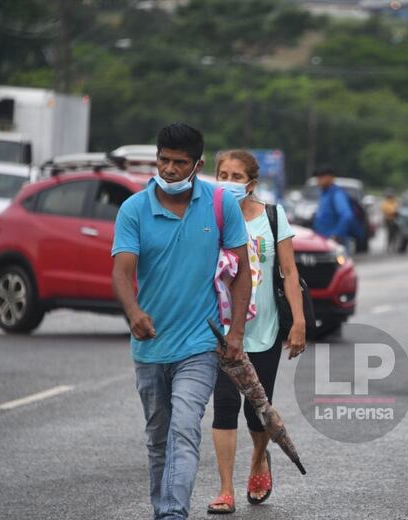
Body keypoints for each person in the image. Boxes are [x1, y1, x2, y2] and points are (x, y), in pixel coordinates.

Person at [111, 123, 251, 520]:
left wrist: (236, 332)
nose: (169, 170)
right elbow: (122, 272)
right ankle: (164, 510)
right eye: (164, 161)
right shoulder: (134, 209)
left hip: (199, 344)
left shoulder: (221, 204)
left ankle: (173, 513)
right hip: (151, 346)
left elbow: (241, 270)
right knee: (158, 438)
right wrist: (134, 312)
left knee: (185, 428)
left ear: (198, 164)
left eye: (179, 163)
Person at [208, 149, 306, 514]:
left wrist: (298, 321)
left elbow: (289, 272)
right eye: (223, 174)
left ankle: (260, 459)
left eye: (236, 176)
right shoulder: (210, 217)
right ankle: (225, 489)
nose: (228, 182)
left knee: (257, 410)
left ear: (251, 183)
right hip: (219, 330)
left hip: (263, 330)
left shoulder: (272, 216)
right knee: (225, 406)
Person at [312, 166, 362, 253]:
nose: (318, 180)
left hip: (336, 244)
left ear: (330, 177)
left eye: (321, 177)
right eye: (317, 177)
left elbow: (347, 216)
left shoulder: (337, 194)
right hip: (324, 241)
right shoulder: (325, 194)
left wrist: (336, 234)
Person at [380, 188, 400, 253]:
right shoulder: (386, 203)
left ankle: (393, 246)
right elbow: (386, 210)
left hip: (395, 220)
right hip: (389, 220)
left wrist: (395, 211)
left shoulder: (394, 201)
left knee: (394, 234)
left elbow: (397, 208)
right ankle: (389, 247)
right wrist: (393, 211)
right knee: (390, 234)